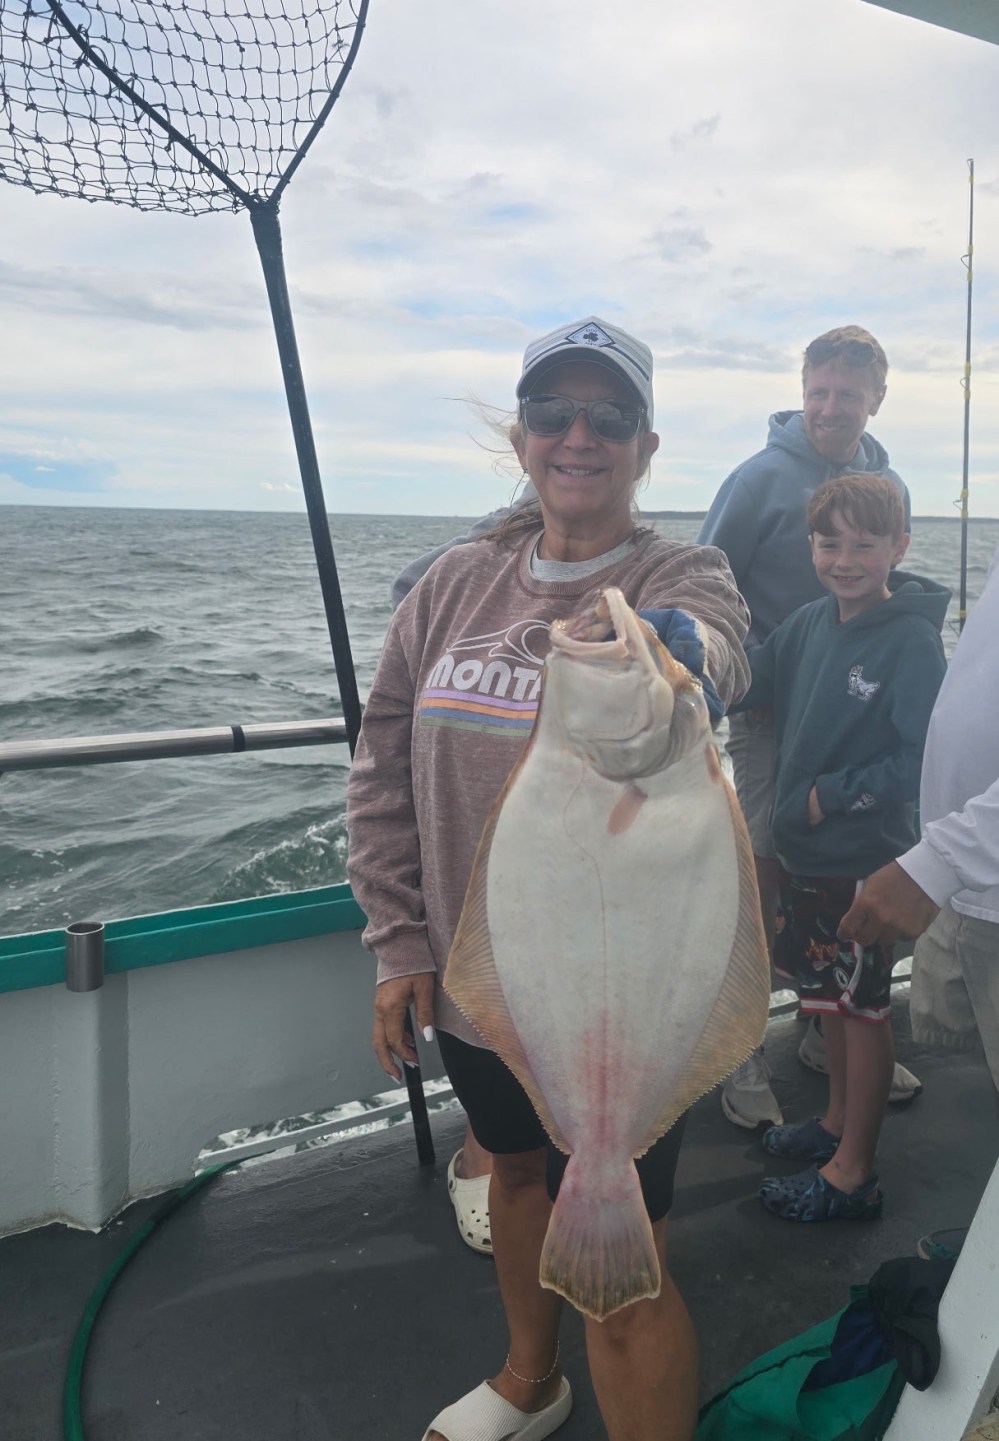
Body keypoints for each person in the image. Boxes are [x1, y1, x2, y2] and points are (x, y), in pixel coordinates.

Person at [347, 315, 751, 1441]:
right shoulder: (450, 585)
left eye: (609, 416)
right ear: (522, 437)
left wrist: (675, 653)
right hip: (489, 983)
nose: (581, 435)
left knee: (629, 1244)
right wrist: (401, 944)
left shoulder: (681, 573)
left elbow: (722, 647)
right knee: (519, 1182)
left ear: (646, 445)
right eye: (553, 413)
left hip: (628, 989)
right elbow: (380, 764)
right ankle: (533, 1378)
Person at [697, 325, 920, 1129]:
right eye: (818, 391)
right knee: (762, 878)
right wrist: (734, 670)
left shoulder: (885, 481)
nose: (830, 408)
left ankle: (831, 1034)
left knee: (841, 877)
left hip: (849, 718)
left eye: (847, 395)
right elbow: (703, 583)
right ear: (801, 391)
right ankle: (740, 1048)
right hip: (765, 714)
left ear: (875, 399)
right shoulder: (758, 478)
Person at [728, 472, 948, 1222]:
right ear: (809, 547)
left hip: (865, 863)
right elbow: (750, 676)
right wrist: (680, 654)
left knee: (862, 1013)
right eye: (829, 542)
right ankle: (829, 1125)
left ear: (899, 546)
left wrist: (831, 795)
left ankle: (853, 1172)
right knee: (825, 1003)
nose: (844, 558)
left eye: (863, 542)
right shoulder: (807, 622)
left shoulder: (912, 641)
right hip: (808, 860)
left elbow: (921, 758)